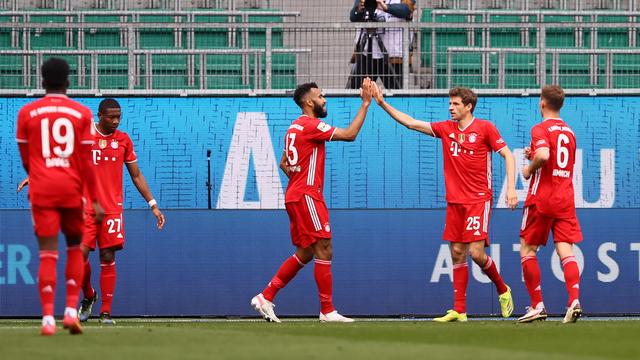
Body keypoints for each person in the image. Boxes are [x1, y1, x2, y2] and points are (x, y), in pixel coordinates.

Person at [371, 84, 518, 322]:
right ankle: (459, 310)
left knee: (477, 254)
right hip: (455, 201)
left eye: (455, 104)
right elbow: (411, 123)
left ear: (468, 106)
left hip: (478, 199)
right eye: (450, 104)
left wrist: (511, 187)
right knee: (457, 252)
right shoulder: (445, 129)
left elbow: (509, 155)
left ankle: (503, 289)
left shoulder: (485, 128)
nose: (450, 108)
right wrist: (382, 103)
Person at [251, 79, 373, 323]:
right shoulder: (311, 125)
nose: (324, 99)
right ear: (309, 102)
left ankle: (266, 295)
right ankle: (327, 311)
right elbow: (350, 135)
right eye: (321, 96)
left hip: (296, 194)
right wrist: (366, 103)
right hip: (307, 195)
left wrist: (299, 180)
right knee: (324, 247)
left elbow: (284, 163)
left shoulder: (293, 128)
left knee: (307, 252)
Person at [16, 57, 104, 335]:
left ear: (42, 80)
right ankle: (69, 312)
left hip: (42, 190)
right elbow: (86, 162)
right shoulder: (82, 113)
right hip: (71, 190)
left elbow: (26, 160)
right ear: (68, 81)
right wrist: (96, 199)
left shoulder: (27, 113)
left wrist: (41, 173)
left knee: (47, 254)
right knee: (75, 248)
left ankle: (47, 319)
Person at [77, 98, 166, 324]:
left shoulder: (123, 140)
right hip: (85, 208)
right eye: (111, 117)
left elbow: (136, 175)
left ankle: (106, 312)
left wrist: (153, 204)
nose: (116, 121)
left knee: (108, 257)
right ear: (100, 115)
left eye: (119, 117)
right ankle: (89, 295)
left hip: (111, 210)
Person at [518, 85, 583, 324]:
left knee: (527, 249)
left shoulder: (540, 128)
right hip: (565, 197)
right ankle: (574, 300)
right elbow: (553, 157)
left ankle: (537, 305)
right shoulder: (570, 132)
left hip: (542, 197)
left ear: (542, 103)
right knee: (566, 250)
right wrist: (533, 153)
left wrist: (528, 167)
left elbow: (544, 156)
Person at [348, 0, 415, 89]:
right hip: (366, 52)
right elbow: (353, 16)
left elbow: (407, 10)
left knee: (396, 93)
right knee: (358, 91)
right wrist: (360, 9)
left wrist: (385, 7)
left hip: (394, 55)